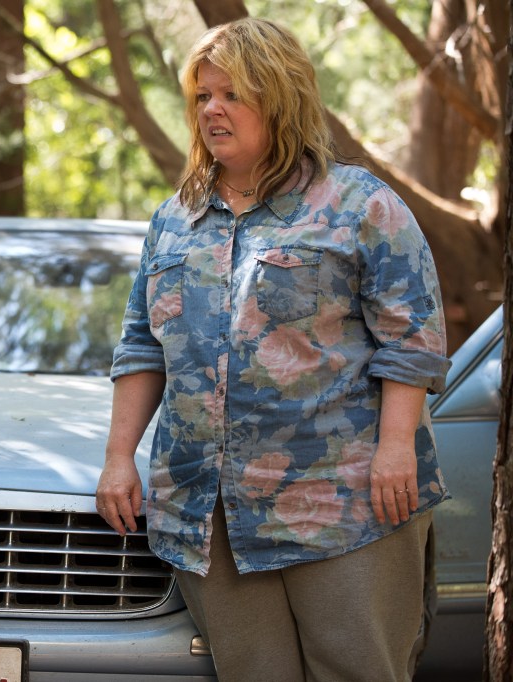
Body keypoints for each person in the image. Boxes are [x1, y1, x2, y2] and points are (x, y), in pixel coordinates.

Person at [95, 17, 450, 682]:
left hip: (346, 508)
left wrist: (397, 447)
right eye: (202, 96)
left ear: (280, 97)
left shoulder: (358, 205)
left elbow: (413, 340)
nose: (212, 110)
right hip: (211, 515)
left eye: (231, 94)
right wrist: (119, 457)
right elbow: (142, 345)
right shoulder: (175, 219)